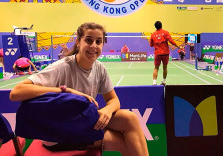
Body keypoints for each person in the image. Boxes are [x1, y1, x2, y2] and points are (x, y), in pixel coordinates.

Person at [9, 22, 149, 156]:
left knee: (130, 118)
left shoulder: (100, 68)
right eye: (88, 40)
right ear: (78, 41)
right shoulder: (61, 67)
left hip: (82, 121)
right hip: (59, 133)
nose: (93, 46)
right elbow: (16, 93)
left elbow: (113, 100)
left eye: (98, 42)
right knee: (126, 144)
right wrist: (64, 90)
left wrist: (108, 110)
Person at [149, 21, 179, 86]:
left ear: (155, 27)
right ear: (161, 25)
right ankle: (164, 81)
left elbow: (151, 45)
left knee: (156, 68)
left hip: (157, 53)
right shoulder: (165, 32)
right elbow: (171, 41)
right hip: (165, 53)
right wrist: (178, 46)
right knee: (165, 67)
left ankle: (154, 83)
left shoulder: (153, 34)